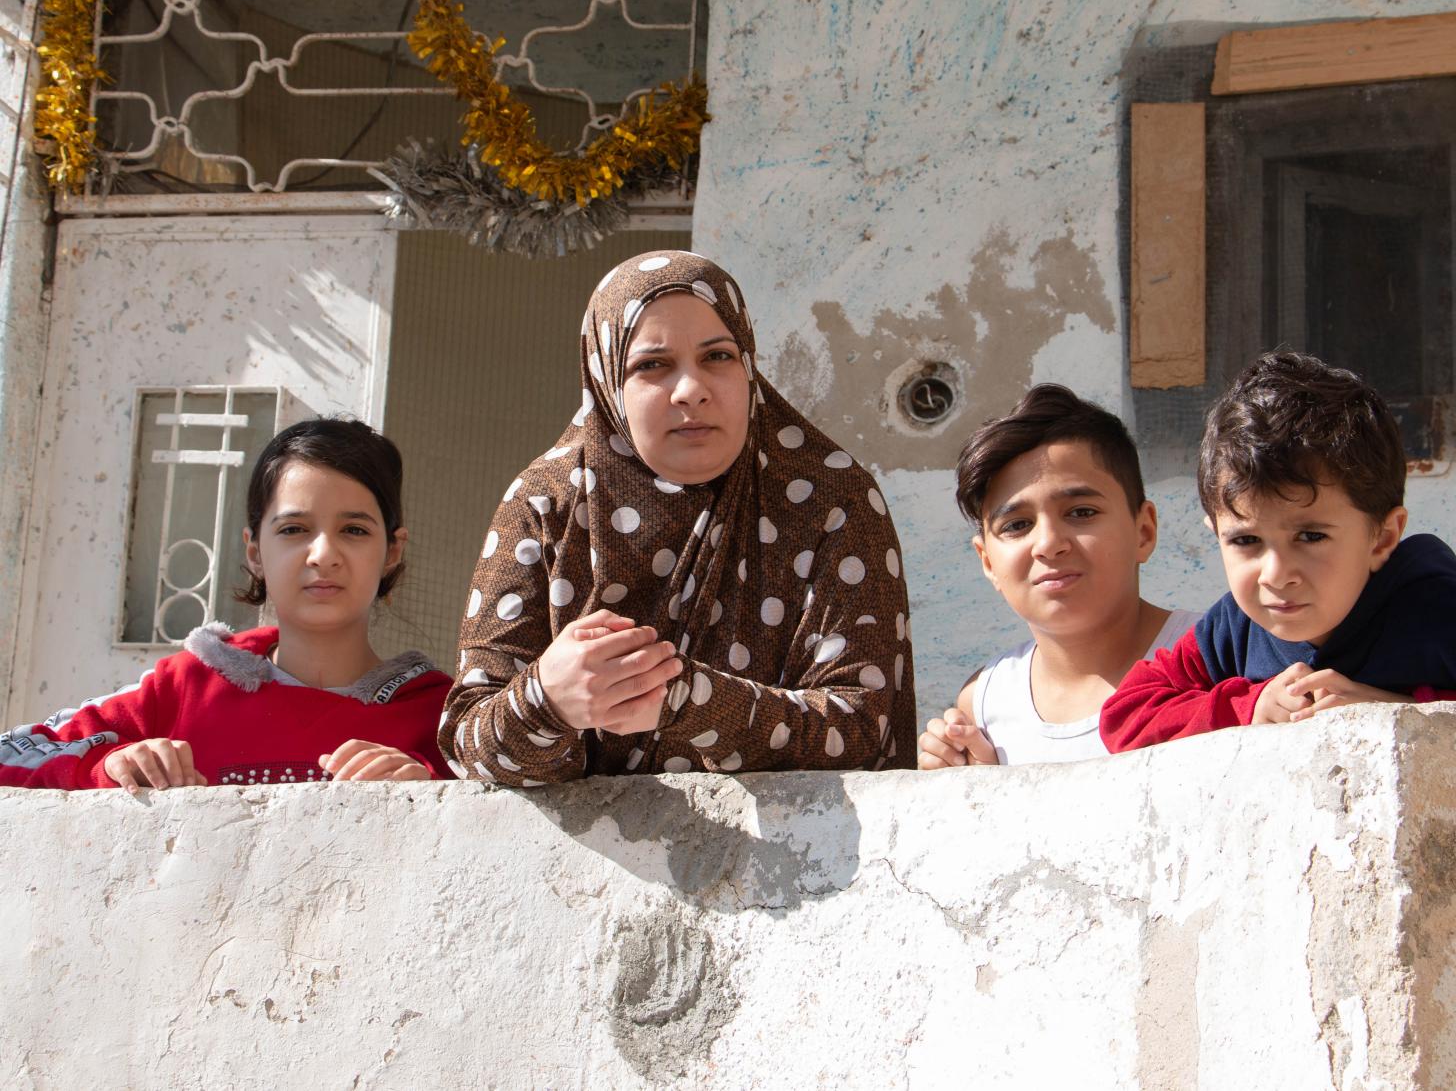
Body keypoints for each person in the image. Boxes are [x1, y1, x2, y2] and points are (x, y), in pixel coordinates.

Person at [440, 250, 915, 785]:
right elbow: (465, 744)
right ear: (607, 380)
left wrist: (691, 702)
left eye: (718, 356)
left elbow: (862, 731)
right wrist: (547, 699)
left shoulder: (832, 500)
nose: (692, 389)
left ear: (749, 366)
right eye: (651, 365)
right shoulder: (545, 504)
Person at [0, 418, 452, 791]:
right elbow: (10, 753)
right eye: (294, 529)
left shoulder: (447, 717)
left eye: (354, 530)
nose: (323, 555)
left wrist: (434, 791)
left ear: (392, 551)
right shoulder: (183, 688)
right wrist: (106, 765)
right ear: (254, 551)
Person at [1101, 350, 1456, 752]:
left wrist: (1403, 714)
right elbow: (1125, 717)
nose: (1276, 574)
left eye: (1310, 537)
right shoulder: (1233, 630)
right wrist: (1249, 707)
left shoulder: (1436, 606)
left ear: (1384, 538)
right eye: (1245, 541)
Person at [917, 385, 1198, 768]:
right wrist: (967, 784)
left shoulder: (1218, 657)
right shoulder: (983, 705)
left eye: (1081, 512)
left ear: (1144, 531)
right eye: (1017, 525)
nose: (1048, 544)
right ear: (987, 562)